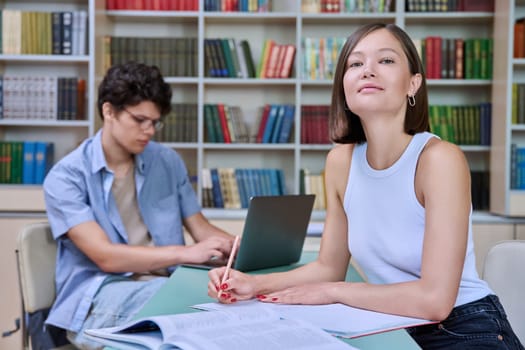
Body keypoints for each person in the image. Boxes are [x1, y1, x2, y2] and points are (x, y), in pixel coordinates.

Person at [208, 23, 524, 349]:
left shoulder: (439, 159)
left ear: (413, 83)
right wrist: (253, 284)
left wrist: (335, 292)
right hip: (387, 324)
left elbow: (435, 301)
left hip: (463, 326)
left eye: (385, 61)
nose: (367, 71)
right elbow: (329, 266)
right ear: (344, 86)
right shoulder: (340, 162)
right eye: (355, 64)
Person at [44, 61, 235, 349]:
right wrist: (187, 253)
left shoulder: (166, 161)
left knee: (232, 293)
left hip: (165, 282)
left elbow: (200, 228)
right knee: (188, 301)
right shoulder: (66, 177)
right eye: (139, 120)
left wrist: (232, 246)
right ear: (108, 111)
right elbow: (106, 257)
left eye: (155, 122)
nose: (149, 130)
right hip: (100, 294)